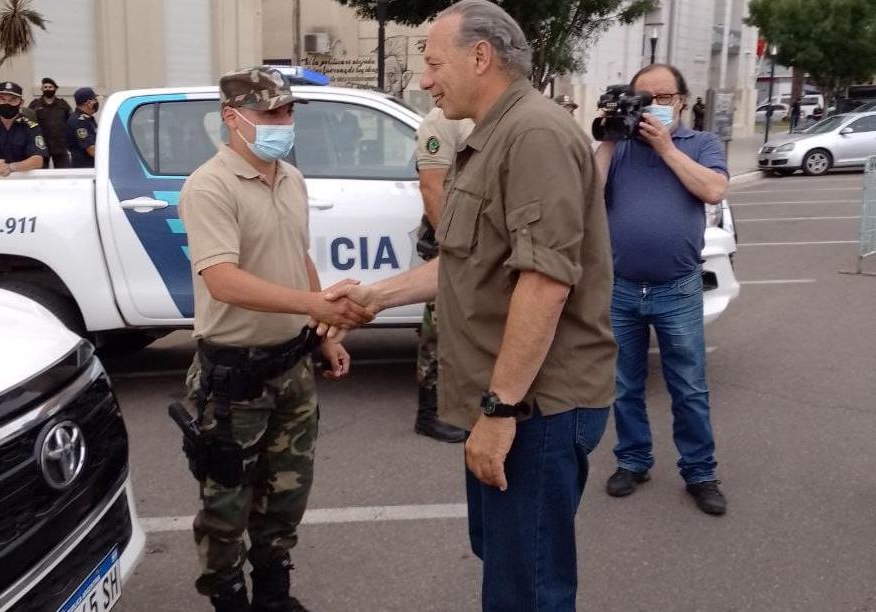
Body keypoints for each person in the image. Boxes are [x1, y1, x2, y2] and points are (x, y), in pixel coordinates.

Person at [322, 2, 617, 608]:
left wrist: (501, 411)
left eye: (434, 63)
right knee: (506, 560)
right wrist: (374, 296)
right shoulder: (495, 134)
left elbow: (545, 283)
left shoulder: (532, 134)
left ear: (480, 57)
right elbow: (467, 261)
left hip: (535, 407)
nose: (426, 80)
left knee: (526, 587)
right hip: (512, 402)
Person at [177, 66, 374, 612]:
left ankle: (273, 595)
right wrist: (315, 304)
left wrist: (321, 334)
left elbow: (299, 257)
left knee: (285, 496)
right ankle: (227, 598)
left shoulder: (289, 177)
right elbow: (222, 279)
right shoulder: (209, 186)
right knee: (226, 505)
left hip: (292, 366)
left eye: (287, 112)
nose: (282, 123)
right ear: (231, 118)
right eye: (269, 114)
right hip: (234, 377)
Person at [595, 63, 729, 516]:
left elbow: (713, 190)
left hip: (678, 289)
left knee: (688, 386)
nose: (653, 107)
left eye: (663, 98)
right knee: (624, 384)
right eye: (642, 99)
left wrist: (666, 147)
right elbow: (586, 195)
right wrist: (611, 136)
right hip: (622, 288)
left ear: (681, 102)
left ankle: (700, 472)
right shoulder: (620, 150)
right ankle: (633, 461)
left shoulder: (702, 144)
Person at [413, 107, 473, 443]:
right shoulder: (440, 120)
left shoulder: (478, 115)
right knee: (438, 329)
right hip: (451, 243)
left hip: (473, 242)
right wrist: (450, 245)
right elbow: (431, 189)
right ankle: (428, 413)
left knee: (460, 329)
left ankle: (457, 405)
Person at [28, 77, 72, 168]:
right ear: (42, 89)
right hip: (41, 145)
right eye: (45, 87)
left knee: (64, 172)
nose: (48, 89)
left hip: (60, 145)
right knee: (41, 173)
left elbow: (70, 122)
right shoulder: (35, 104)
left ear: (55, 88)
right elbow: (29, 122)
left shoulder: (63, 104)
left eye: (50, 87)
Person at [66, 87, 99, 168]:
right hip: (85, 168)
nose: (96, 102)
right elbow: (91, 149)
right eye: (95, 100)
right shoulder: (79, 121)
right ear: (88, 103)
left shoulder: (87, 118)